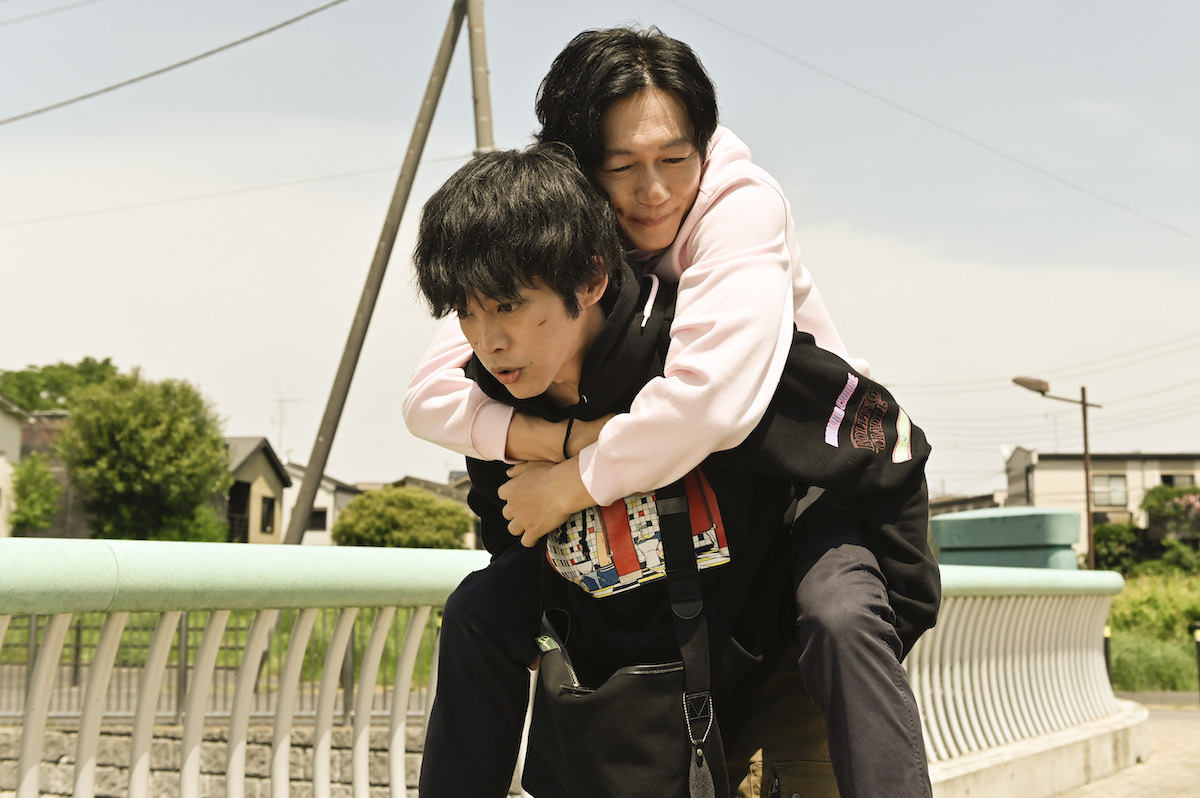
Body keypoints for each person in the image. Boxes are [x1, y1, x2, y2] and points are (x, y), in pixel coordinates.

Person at [407, 27, 940, 798]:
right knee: (481, 610)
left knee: (839, 616)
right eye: (621, 167)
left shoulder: (738, 207)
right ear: (577, 166)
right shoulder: (547, 245)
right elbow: (432, 389)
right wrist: (557, 434)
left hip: (798, 468)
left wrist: (568, 480)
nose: (654, 192)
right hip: (678, 495)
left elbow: (709, 402)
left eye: (674, 159)